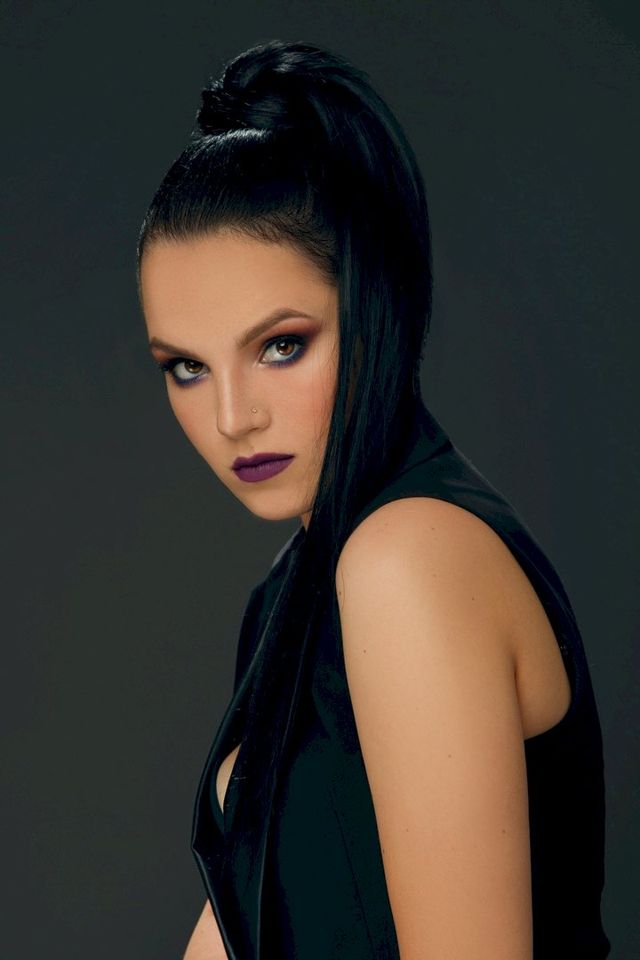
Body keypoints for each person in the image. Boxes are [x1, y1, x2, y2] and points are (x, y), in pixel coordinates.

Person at [136, 39, 611, 960]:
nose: (233, 417)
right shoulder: (293, 594)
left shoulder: (407, 560)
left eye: (280, 345)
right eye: (187, 367)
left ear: (372, 308)